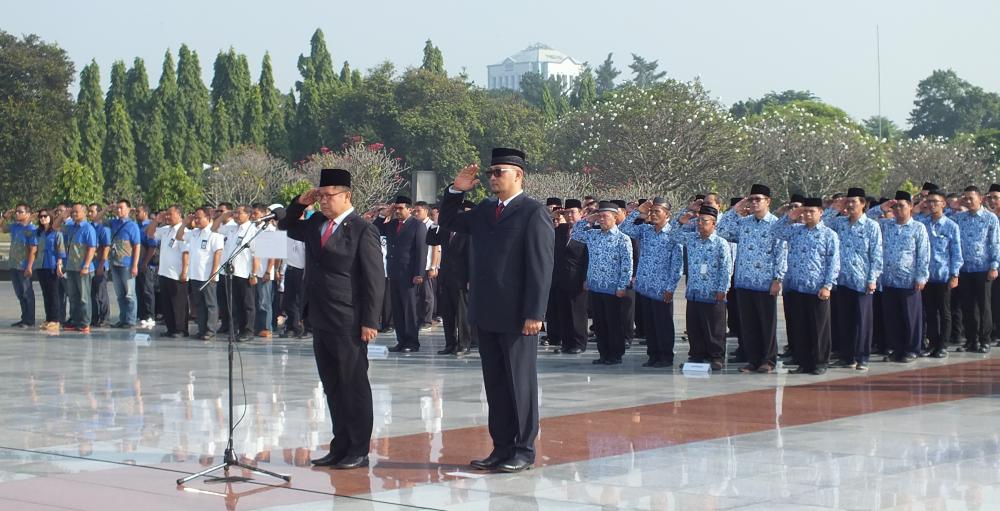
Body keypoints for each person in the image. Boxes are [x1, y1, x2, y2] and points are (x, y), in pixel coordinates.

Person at [438, 147, 554, 474]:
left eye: (498, 172)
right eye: (489, 172)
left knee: (520, 384)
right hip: (486, 310)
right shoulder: (486, 210)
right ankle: (501, 447)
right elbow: (448, 221)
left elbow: (541, 266)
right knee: (496, 385)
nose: (492, 177)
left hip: (518, 314)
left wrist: (536, 312)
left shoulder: (533, 212)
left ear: (518, 175)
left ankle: (523, 449)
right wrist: (456, 191)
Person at [283, 168, 384, 470]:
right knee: (332, 385)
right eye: (321, 196)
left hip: (349, 319)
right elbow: (287, 226)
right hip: (320, 317)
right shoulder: (315, 223)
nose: (324, 202)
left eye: (329, 196)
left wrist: (370, 320)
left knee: (353, 385)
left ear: (346, 196)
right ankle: (339, 446)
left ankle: (358, 448)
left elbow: (374, 280)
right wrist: (300, 203)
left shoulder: (362, 229)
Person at [716, 185, 788, 373]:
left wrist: (777, 279)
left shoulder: (776, 224)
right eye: (751, 199)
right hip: (744, 280)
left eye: (758, 199)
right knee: (748, 324)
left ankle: (768, 360)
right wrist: (734, 210)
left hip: (765, 282)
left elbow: (781, 253)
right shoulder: (744, 223)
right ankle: (752, 359)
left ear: (768, 201)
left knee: (766, 323)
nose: (754, 202)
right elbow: (721, 231)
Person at [772, 198, 840, 375]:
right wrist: (789, 216)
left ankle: (820, 362)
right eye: (805, 211)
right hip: (796, 287)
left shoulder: (828, 234)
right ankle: (803, 362)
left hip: (817, 288)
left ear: (820, 212)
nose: (808, 215)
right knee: (800, 327)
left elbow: (834, 262)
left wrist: (827, 285)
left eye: (812, 211)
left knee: (819, 328)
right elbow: (776, 231)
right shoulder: (795, 231)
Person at [823, 188, 882, 371]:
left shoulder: (871, 226)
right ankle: (847, 356)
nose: (849, 205)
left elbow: (877, 254)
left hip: (862, 279)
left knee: (862, 320)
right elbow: (822, 224)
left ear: (863, 204)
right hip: (843, 279)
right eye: (847, 202)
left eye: (853, 202)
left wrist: (872, 278)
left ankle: (862, 356)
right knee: (844, 320)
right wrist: (835, 208)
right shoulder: (840, 223)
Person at [620, 197, 683, 367]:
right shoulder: (646, 231)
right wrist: (638, 212)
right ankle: (653, 355)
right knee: (650, 324)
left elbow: (677, 265)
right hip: (645, 286)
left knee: (663, 324)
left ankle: (665, 356)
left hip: (662, 288)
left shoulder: (673, 234)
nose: (653, 214)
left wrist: (671, 288)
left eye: (657, 211)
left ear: (667, 215)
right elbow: (624, 228)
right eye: (652, 211)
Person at [571, 201, 634, 365]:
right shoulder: (593, 235)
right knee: (599, 323)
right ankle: (604, 353)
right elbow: (576, 234)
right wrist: (589, 219)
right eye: (600, 216)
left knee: (613, 322)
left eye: (605, 216)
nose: (602, 219)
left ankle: (616, 354)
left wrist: (622, 286)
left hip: (613, 289)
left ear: (614, 217)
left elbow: (627, 265)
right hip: (595, 286)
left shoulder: (622, 239)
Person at [672, 205, 733, 370]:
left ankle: (716, 357)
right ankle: (697, 355)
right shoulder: (692, 239)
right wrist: (680, 220)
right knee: (694, 327)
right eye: (698, 220)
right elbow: (673, 235)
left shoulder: (721, 243)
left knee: (715, 328)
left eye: (704, 221)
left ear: (713, 224)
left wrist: (723, 289)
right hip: (694, 291)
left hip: (713, 292)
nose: (699, 224)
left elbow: (727, 268)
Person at [876, 192, 930, 362]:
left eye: (902, 206)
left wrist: (921, 276)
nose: (898, 209)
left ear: (911, 207)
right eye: (895, 206)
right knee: (892, 317)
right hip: (889, 279)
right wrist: (881, 208)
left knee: (911, 317)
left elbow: (923, 253)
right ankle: (897, 349)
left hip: (909, 280)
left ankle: (912, 349)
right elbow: (867, 219)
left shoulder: (918, 228)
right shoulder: (886, 225)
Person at [951, 186, 1000, 353]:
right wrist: (955, 205)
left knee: (984, 305)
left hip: (983, 268)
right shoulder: (959, 218)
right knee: (967, 306)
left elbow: (995, 243)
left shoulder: (990, 218)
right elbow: (941, 220)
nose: (968, 201)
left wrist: (994, 265)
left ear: (981, 198)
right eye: (966, 198)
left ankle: (984, 339)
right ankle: (971, 340)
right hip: (965, 269)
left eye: (971, 198)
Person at [376, 196, 428, 352]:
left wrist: (419, 273)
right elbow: (375, 229)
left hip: (409, 273)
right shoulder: (392, 224)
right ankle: (401, 340)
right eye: (396, 208)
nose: (398, 211)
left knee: (409, 309)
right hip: (394, 272)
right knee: (397, 309)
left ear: (409, 209)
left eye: (400, 208)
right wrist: (384, 214)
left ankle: (412, 342)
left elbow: (421, 251)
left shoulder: (417, 226)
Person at [916, 190, 963, 358]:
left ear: (944, 203)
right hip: (926, 275)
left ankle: (943, 344)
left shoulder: (951, 226)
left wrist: (954, 274)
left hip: (943, 275)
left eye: (936, 201)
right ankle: (933, 342)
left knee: (944, 311)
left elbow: (956, 252)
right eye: (929, 201)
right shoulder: (922, 223)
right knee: (929, 311)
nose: (932, 204)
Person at [427, 200, 477, 355]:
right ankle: (450, 344)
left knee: (462, 315)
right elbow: (430, 240)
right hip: (446, 278)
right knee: (448, 314)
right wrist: (435, 224)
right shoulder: (444, 230)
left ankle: (464, 344)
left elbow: (472, 257)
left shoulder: (467, 233)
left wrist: (471, 279)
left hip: (462, 280)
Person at [550, 199, 590, 355]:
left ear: (581, 213)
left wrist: (586, 277)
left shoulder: (587, 231)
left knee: (577, 313)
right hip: (559, 278)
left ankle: (579, 342)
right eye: (566, 212)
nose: (569, 215)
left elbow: (589, 257)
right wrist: (551, 216)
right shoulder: (560, 229)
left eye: (573, 212)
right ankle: (566, 343)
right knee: (563, 312)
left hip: (577, 278)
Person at [216, 206, 260, 342]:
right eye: (234, 212)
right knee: (235, 303)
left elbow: (256, 255)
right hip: (230, 272)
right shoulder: (231, 229)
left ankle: (248, 330)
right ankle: (238, 329)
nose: (235, 215)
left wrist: (254, 273)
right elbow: (214, 228)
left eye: (239, 213)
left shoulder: (252, 230)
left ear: (248, 214)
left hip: (244, 272)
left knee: (247, 304)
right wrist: (224, 216)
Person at [182, 207, 225, 340]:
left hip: (207, 275)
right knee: (199, 304)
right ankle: (201, 329)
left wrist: (213, 272)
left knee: (210, 304)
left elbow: (218, 253)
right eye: (195, 217)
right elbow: (179, 236)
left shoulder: (214, 235)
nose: (197, 220)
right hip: (195, 274)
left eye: (199, 218)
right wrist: (185, 222)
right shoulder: (194, 233)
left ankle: (210, 330)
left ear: (208, 218)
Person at [147, 206, 189, 338]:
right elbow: (150, 234)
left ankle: (181, 329)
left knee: (178, 304)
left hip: (177, 274)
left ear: (179, 215)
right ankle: (171, 328)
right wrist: (156, 221)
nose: (167, 217)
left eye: (170, 215)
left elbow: (186, 253)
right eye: (166, 215)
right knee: (167, 303)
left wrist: (184, 272)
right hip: (164, 272)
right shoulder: (165, 230)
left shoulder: (184, 231)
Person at [64, 204, 98, 333]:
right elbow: (55, 226)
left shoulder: (88, 228)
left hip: (83, 269)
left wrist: (86, 265)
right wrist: (64, 215)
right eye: (72, 212)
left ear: (84, 213)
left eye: (76, 212)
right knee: (73, 296)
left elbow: (91, 248)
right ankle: (75, 321)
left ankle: (85, 323)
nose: (73, 214)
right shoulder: (71, 227)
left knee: (84, 297)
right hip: (71, 267)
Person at [108, 199, 142, 328]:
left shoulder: (132, 225)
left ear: (128, 210)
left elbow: (137, 246)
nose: (118, 210)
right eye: (117, 208)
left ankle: (131, 320)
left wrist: (134, 265)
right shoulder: (113, 223)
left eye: (121, 208)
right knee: (120, 294)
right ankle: (123, 319)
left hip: (127, 264)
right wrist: (107, 209)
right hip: (115, 263)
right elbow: (97, 220)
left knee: (130, 294)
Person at [3, 204, 37, 327]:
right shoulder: (15, 227)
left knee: (27, 293)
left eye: (20, 212)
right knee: (20, 293)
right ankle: (24, 318)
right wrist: (4, 217)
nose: (17, 214)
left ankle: (30, 320)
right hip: (13, 264)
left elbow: (33, 249)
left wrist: (29, 266)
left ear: (28, 214)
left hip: (24, 266)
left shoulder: (32, 229)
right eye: (16, 211)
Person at [34, 209, 65, 331]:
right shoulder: (39, 233)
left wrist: (59, 264)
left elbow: (60, 250)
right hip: (41, 265)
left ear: (50, 217)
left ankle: (55, 320)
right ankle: (48, 318)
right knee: (45, 293)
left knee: (53, 293)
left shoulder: (57, 234)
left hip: (52, 265)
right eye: (40, 217)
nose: (42, 218)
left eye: (45, 216)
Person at [251, 203, 278, 338]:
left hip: (264, 272)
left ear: (263, 214)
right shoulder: (255, 229)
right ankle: (258, 326)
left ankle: (267, 327)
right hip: (254, 272)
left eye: (255, 213)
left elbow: (273, 254)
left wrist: (268, 271)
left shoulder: (271, 230)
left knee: (264, 302)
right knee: (256, 301)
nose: (253, 216)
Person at [88, 203, 112, 328]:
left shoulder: (104, 228)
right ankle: (94, 317)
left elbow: (106, 247)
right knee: (93, 294)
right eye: (89, 211)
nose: (89, 214)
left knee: (101, 293)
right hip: (91, 265)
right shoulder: (90, 227)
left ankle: (105, 318)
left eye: (92, 211)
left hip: (100, 265)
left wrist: (101, 265)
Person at [135, 205, 158, 329]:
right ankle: (142, 314)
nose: (136, 213)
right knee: (139, 290)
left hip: (146, 265)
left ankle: (150, 315)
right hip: (136, 264)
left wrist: (145, 262)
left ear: (145, 212)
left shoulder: (150, 226)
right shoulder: (135, 226)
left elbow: (152, 247)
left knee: (147, 290)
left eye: (138, 211)